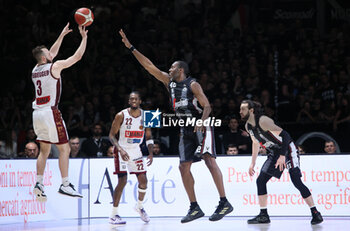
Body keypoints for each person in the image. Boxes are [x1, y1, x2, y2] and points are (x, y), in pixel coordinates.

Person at [119, 29, 233, 223]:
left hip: (201, 126)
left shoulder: (193, 85)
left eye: (172, 68)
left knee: (208, 159)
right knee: (183, 167)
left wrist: (203, 123)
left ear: (180, 70)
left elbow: (207, 106)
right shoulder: (169, 83)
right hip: (184, 129)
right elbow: (149, 66)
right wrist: (131, 47)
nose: (169, 70)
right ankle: (194, 207)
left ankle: (224, 202)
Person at [240, 100, 323, 225]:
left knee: (296, 180)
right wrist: (252, 163)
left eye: (243, 109)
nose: (240, 112)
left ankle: (315, 213)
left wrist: (283, 156)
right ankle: (263, 215)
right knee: (260, 181)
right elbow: (255, 143)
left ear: (251, 110)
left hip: (288, 150)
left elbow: (285, 135)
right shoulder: (248, 126)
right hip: (274, 153)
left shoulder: (263, 120)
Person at [31, 23, 88, 202]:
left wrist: (62, 35)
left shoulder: (35, 70)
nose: (51, 53)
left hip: (37, 114)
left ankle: (39, 183)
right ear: (44, 56)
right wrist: (84, 38)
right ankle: (65, 184)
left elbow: (52, 53)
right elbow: (77, 57)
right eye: (48, 52)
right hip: (50, 112)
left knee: (44, 150)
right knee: (65, 149)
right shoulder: (54, 67)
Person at [109, 92, 153, 225]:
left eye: (136, 99)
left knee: (143, 181)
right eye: (131, 99)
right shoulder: (120, 115)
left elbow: (149, 137)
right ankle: (113, 214)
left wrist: (150, 153)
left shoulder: (147, 116)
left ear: (140, 101)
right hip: (121, 149)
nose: (134, 101)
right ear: (129, 102)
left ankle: (139, 207)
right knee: (122, 180)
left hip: (136, 151)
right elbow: (111, 136)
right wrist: (120, 149)